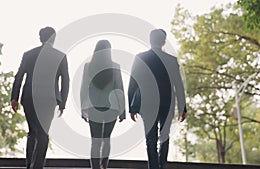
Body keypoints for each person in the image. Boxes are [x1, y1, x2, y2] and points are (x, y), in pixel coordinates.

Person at [11, 27, 69, 169]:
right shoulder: (60, 56)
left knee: (32, 131)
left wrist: (14, 98)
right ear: (54, 38)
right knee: (43, 132)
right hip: (49, 99)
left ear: (40, 38)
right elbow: (66, 80)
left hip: (29, 97)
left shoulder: (28, 54)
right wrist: (63, 102)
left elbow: (19, 76)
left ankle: (29, 164)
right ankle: (37, 166)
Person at [128, 29, 187, 169]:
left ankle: (153, 167)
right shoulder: (171, 60)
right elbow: (178, 84)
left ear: (150, 40)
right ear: (164, 42)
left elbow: (132, 83)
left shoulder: (140, 58)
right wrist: (183, 107)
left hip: (147, 104)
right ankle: (162, 165)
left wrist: (131, 106)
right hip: (167, 103)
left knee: (150, 139)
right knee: (164, 136)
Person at [80, 40, 125, 169]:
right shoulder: (115, 66)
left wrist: (83, 109)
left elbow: (84, 88)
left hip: (93, 106)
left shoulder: (88, 66)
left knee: (95, 140)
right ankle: (103, 166)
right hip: (112, 107)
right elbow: (119, 88)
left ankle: (95, 167)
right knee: (106, 138)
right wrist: (122, 110)